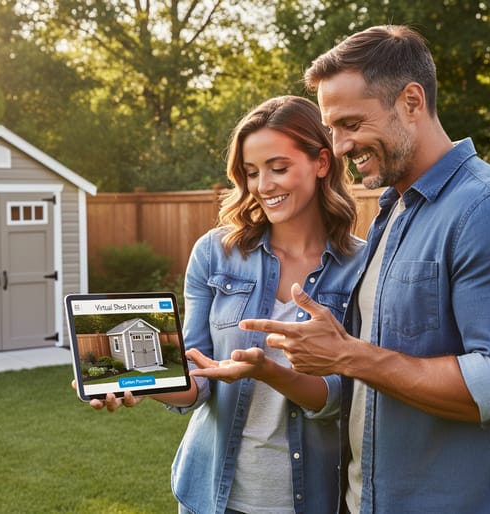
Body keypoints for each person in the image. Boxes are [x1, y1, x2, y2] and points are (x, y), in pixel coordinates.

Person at [239, 26, 490, 514]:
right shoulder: (395, 211)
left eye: (350, 123)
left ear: (411, 101)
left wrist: (348, 355)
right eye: (332, 128)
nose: (340, 146)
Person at [80, 95, 366, 514]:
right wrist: (142, 385)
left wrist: (269, 373)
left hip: (309, 499)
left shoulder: (360, 266)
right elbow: (199, 376)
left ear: (322, 162)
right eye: (251, 172)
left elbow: (346, 397)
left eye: (278, 167)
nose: (263, 185)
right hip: (212, 496)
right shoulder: (215, 253)